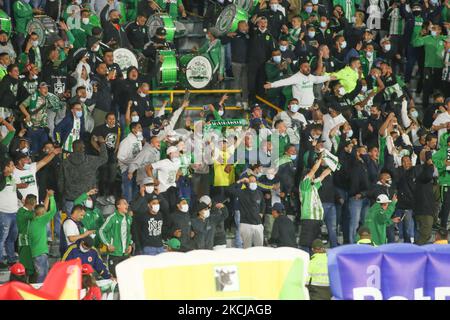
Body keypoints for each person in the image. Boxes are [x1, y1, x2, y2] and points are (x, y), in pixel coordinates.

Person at [58, 138, 108, 216]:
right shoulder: (91, 160)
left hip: (70, 198)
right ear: (83, 148)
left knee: (72, 224)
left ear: (72, 148)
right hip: (87, 198)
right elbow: (104, 158)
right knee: (86, 225)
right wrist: (102, 143)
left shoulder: (65, 162)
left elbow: (60, 182)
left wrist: (62, 195)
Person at [299, 156, 332, 253]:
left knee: (315, 244)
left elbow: (323, 175)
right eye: (312, 176)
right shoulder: (304, 185)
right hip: (309, 218)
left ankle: (314, 262)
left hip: (317, 219)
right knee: (306, 244)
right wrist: (320, 159)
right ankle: (306, 263)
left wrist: (333, 166)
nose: (313, 177)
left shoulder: (313, 185)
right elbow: (313, 170)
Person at [99, 197, 133, 277]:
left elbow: (131, 233)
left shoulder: (129, 218)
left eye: (127, 203)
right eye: (124, 203)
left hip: (125, 254)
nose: (127, 205)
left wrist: (130, 244)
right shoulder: (112, 217)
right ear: (118, 206)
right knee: (114, 277)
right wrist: (108, 244)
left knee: (126, 277)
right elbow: (101, 231)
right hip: (114, 253)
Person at [229, 176, 265, 249]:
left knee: (260, 249)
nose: (253, 183)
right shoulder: (242, 192)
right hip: (245, 224)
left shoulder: (259, 193)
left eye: (254, 181)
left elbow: (263, 204)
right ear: (247, 183)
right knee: (247, 249)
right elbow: (229, 189)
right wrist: (240, 181)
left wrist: (261, 213)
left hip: (258, 224)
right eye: (251, 181)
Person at [29, 189, 57, 283]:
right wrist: (51, 197)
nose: (46, 213)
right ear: (42, 214)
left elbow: (43, 209)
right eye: (45, 212)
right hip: (40, 253)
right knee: (42, 277)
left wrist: (47, 197)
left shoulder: (33, 221)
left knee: (42, 276)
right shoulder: (41, 221)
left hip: (36, 253)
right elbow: (53, 211)